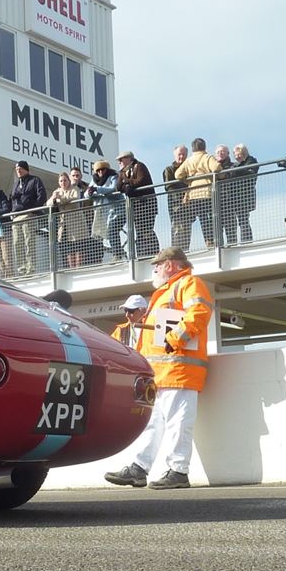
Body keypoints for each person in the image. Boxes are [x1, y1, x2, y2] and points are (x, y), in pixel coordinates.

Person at [105, 246, 213, 490]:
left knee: (178, 423)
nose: (155, 268)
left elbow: (199, 312)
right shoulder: (167, 290)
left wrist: (176, 338)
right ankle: (139, 468)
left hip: (180, 371)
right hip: (162, 373)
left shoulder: (189, 283)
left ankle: (178, 471)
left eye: (158, 264)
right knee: (152, 422)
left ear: (171, 265)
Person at [174, 138, 221, 249]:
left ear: (193, 148)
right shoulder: (207, 157)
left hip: (194, 195)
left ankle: (208, 241)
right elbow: (217, 168)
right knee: (213, 217)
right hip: (207, 193)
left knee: (203, 219)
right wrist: (209, 175)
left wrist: (189, 180)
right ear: (204, 147)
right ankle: (215, 241)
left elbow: (178, 175)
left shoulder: (189, 160)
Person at [116, 151, 159, 258]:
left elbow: (141, 180)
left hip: (147, 205)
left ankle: (153, 252)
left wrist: (127, 182)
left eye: (122, 159)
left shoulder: (139, 166)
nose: (119, 162)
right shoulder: (123, 171)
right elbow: (118, 187)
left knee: (147, 230)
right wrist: (126, 183)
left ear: (129, 159)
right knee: (139, 231)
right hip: (136, 207)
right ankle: (141, 254)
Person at [9, 161, 47, 275]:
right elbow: (12, 199)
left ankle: (31, 267)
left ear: (26, 169)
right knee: (17, 243)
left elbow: (42, 195)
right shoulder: (16, 183)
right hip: (16, 216)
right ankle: (22, 268)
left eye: (20, 168)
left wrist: (33, 209)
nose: (18, 171)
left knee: (29, 241)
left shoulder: (35, 180)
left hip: (28, 214)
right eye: (16, 169)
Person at [86, 160, 124, 260]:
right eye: (98, 170)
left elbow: (113, 188)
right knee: (99, 234)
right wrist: (90, 193)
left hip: (117, 211)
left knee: (112, 230)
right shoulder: (94, 179)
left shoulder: (113, 176)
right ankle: (97, 259)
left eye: (102, 169)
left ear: (107, 169)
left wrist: (97, 190)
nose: (100, 172)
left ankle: (117, 254)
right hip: (102, 213)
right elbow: (87, 193)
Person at [223, 143, 259, 244]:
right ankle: (233, 242)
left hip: (245, 196)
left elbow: (251, 174)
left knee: (243, 220)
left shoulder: (251, 161)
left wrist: (236, 171)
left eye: (239, 154)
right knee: (236, 220)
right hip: (235, 196)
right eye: (236, 155)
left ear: (244, 153)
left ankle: (246, 241)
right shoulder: (237, 165)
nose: (237, 157)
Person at [46, 172, 83, 270]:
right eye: (61, 181)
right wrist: (54, 199)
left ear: (68, 180)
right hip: (64, 223)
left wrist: (61, 199)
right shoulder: (57, 191)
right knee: (68, 247)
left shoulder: (74, 188)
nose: (63, 182)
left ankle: (78, 268)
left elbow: (75, 199)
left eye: (65, 180)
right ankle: (71, 268)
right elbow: (48, 203)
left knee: (78, 246)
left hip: (76, 221)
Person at [163, 145, 189, 249]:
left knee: (186, 231)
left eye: (184, 154)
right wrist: (181, 199)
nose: (181, 157)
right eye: (179, 154)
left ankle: (184, 254)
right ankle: (177, 255)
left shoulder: (189, 169)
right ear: (175, 155)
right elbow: (169, 187)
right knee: (177, 232)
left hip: (188, 207)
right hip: (176, 208)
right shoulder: (169, 170)